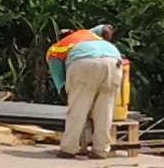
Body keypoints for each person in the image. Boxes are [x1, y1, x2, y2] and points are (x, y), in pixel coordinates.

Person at [47, 23, 124, 159]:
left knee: (78, 108)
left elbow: (59, 81)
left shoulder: (56, 49)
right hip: (115, 61)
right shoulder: (89, 33)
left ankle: (69, 148)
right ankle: (101, 150)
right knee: (105, 110)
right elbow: (107, 28)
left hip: (85, 63)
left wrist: (66, 96)